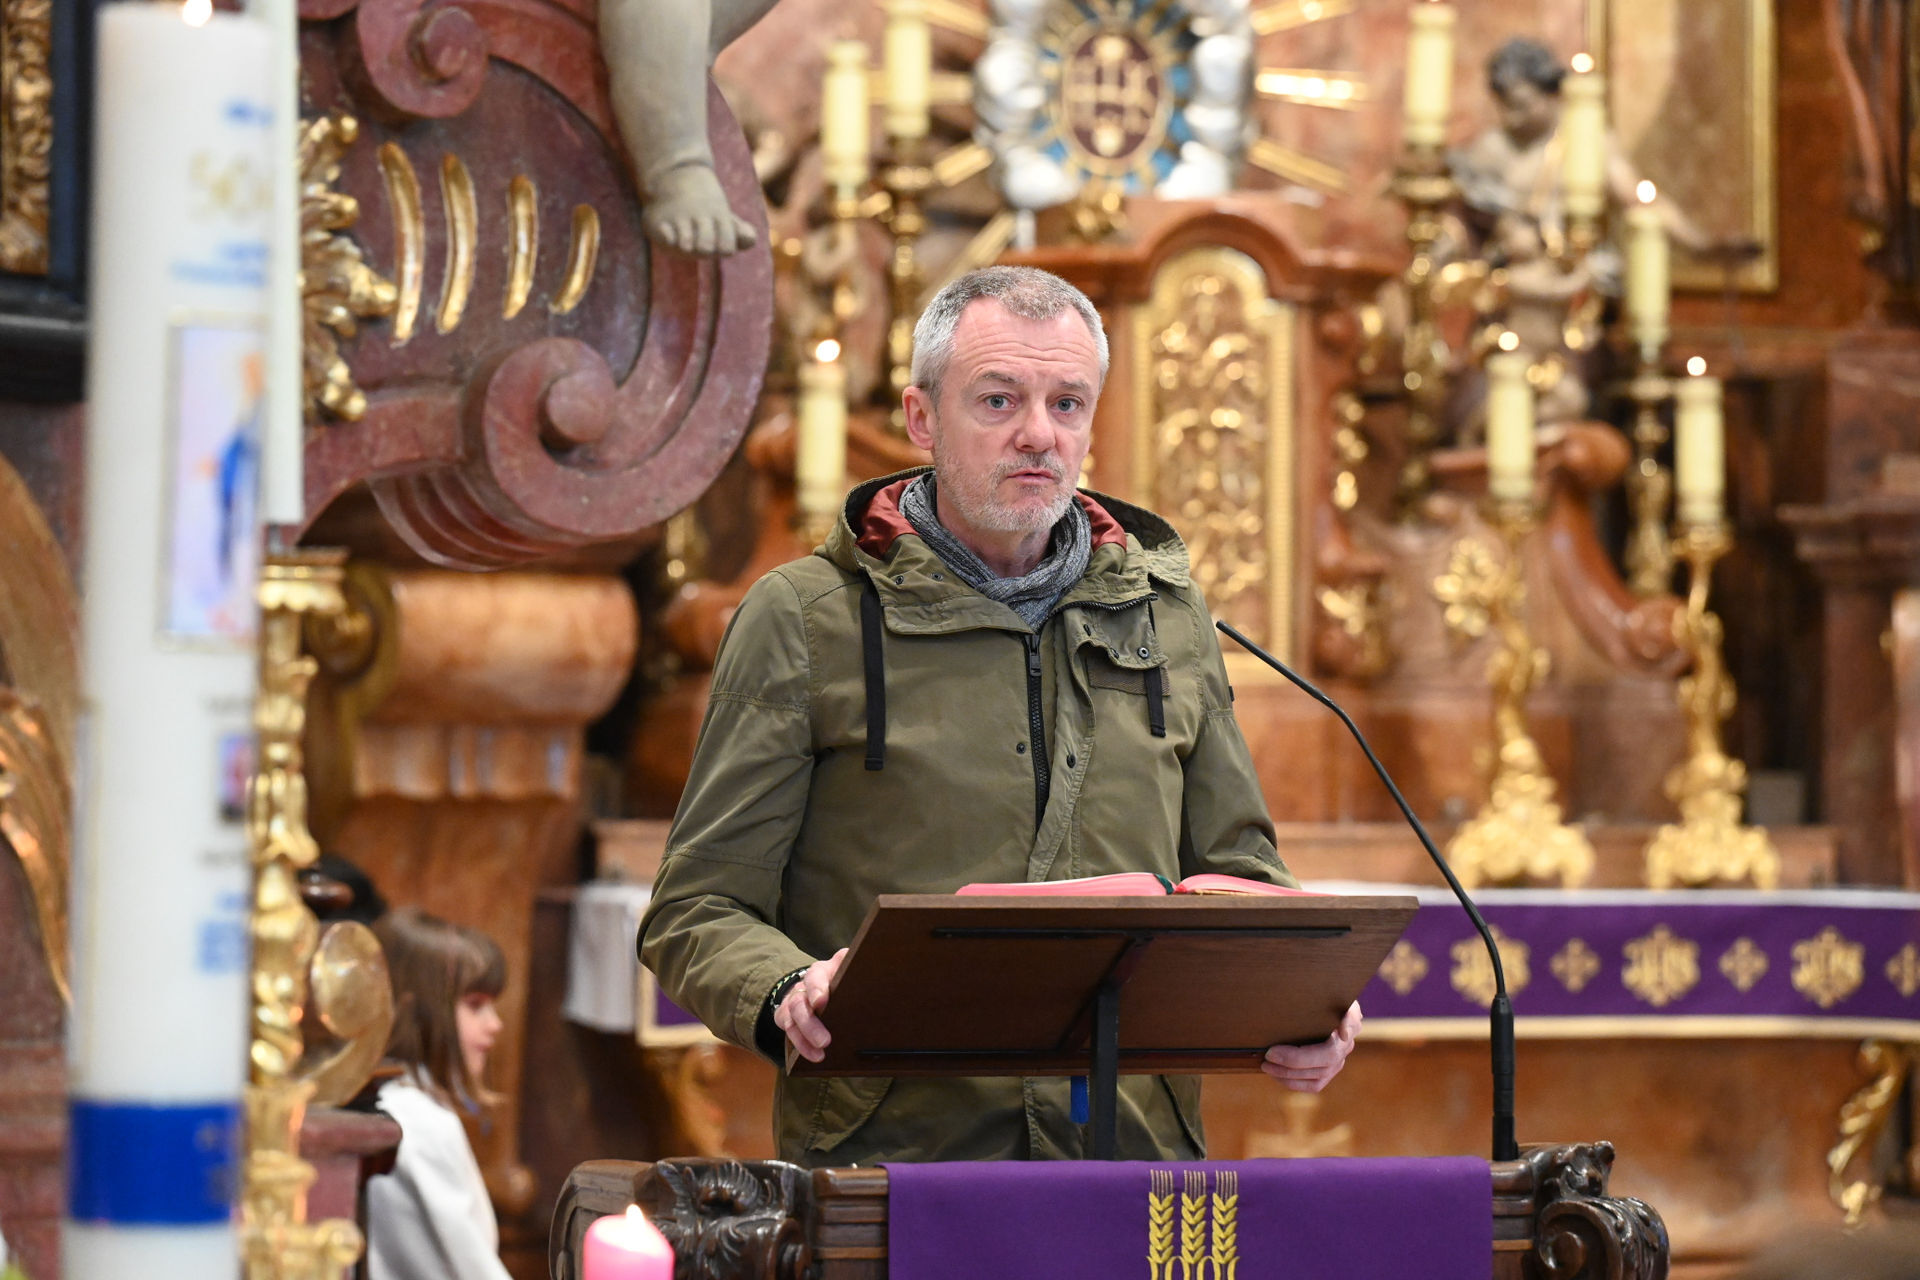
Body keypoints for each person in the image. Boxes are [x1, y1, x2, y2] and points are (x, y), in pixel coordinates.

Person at [639, 265, 1360, 1166]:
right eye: (998, 400)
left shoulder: (1167, 615)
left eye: (1067, 404)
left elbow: (1239, 877)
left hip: (1131, 1158)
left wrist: (1301, 994)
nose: (1038, 434)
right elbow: (696, 908)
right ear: (922, 418)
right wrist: (785, 985)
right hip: (898, 1162)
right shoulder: (806, 619)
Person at [365, 908, 511, 1280]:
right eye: (475, 1005)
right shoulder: (423, 1124)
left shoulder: (392, 1102)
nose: (495, 1024)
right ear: (420, 1011)